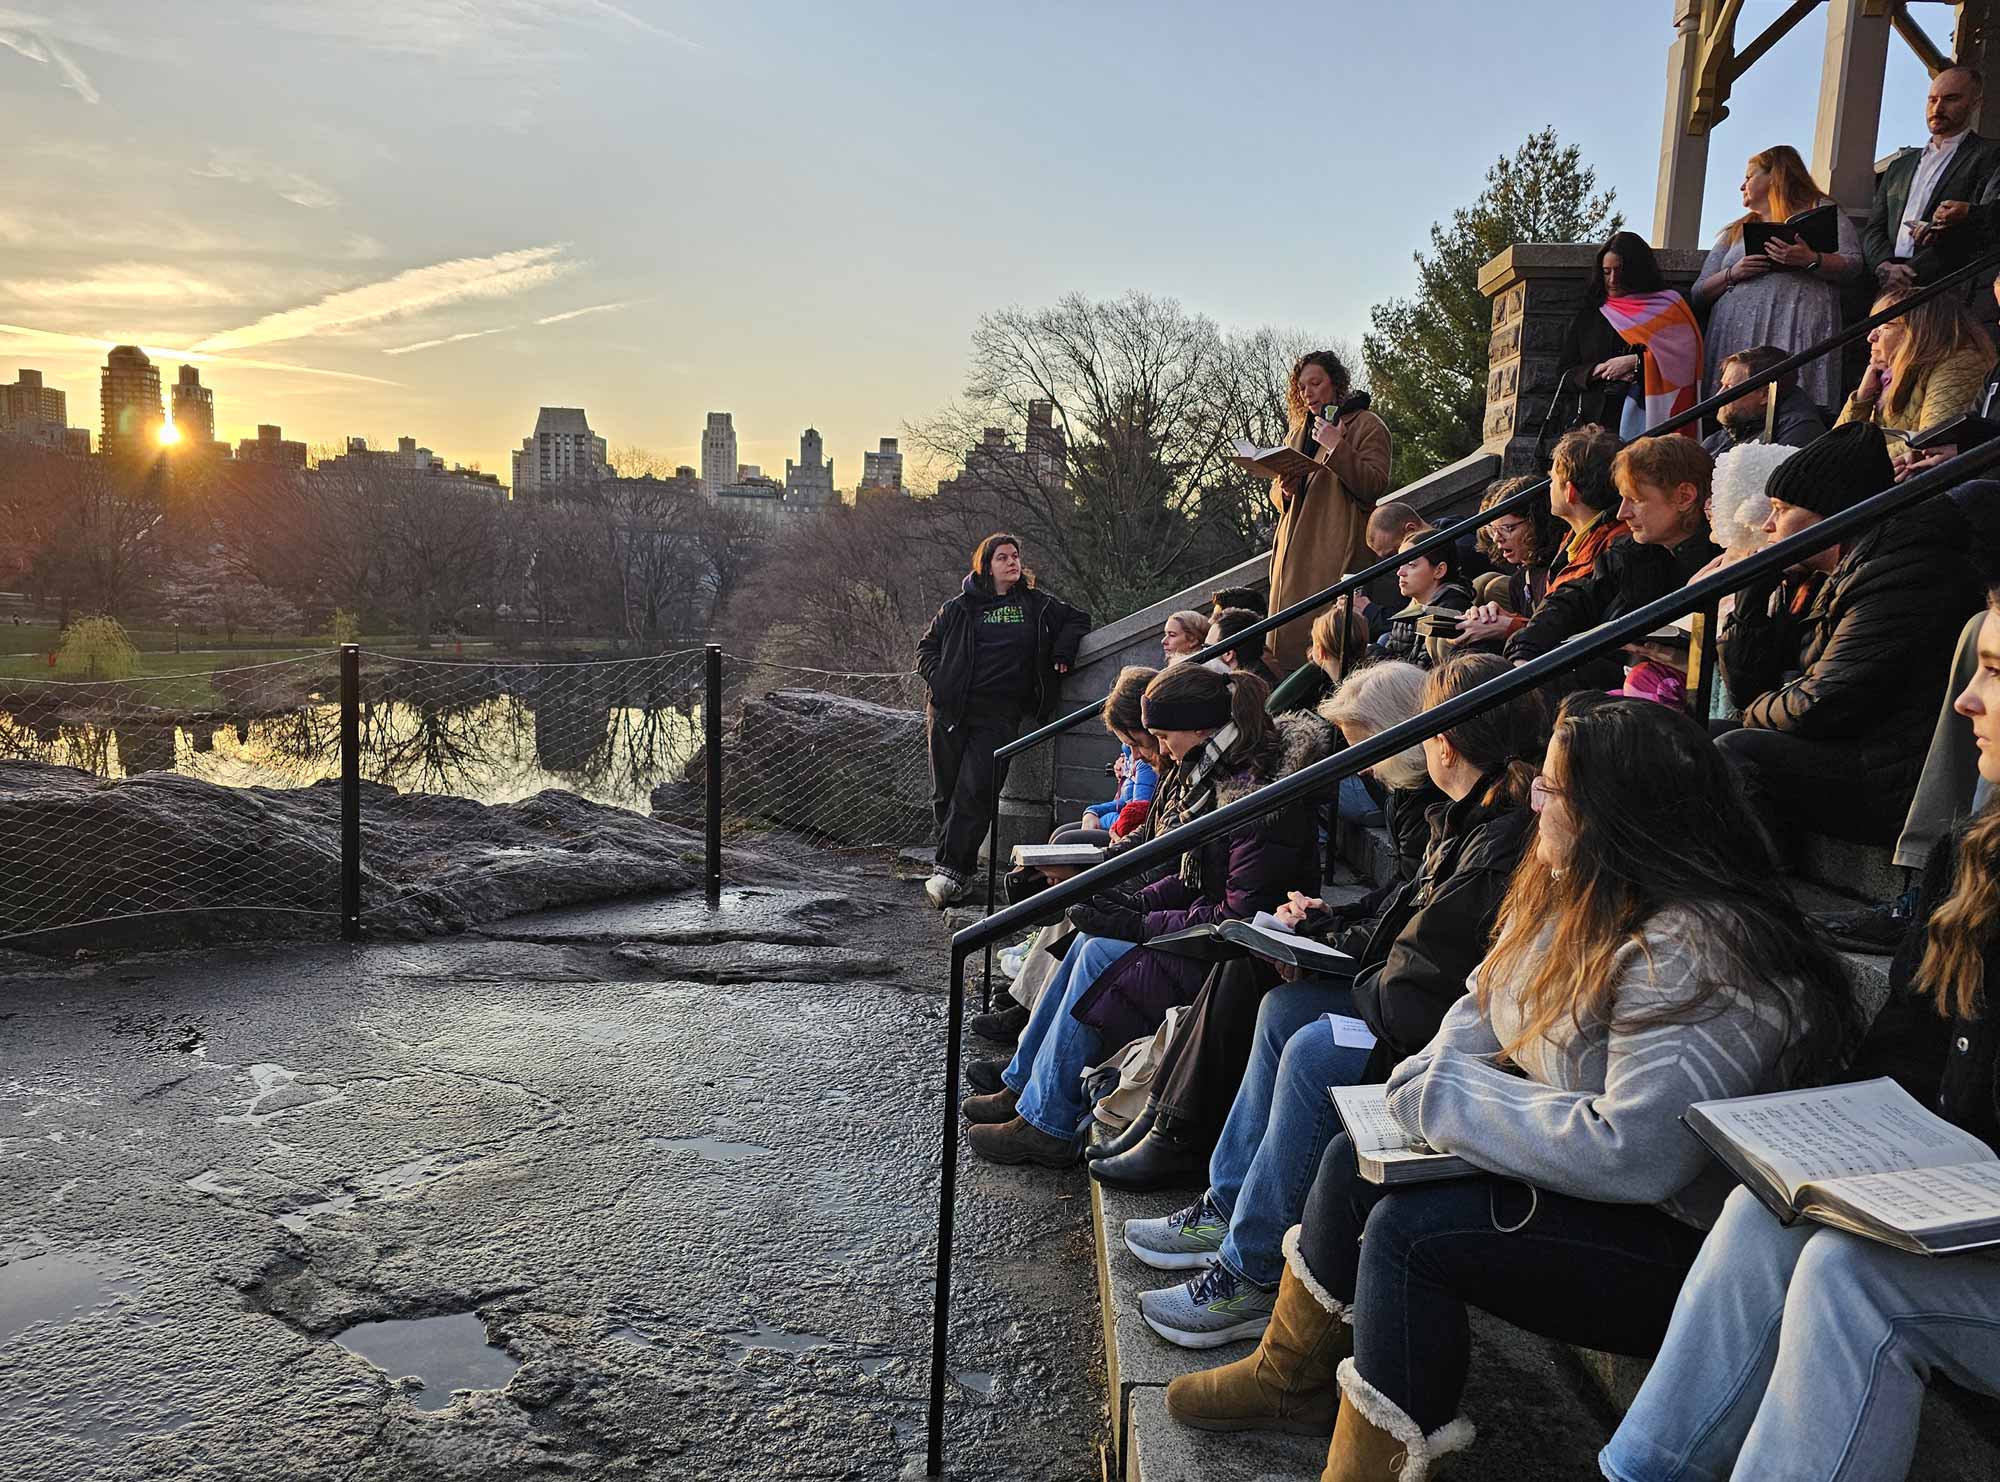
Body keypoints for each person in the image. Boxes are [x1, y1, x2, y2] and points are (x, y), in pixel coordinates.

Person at [1177, 694, 1856, 1481]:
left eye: (1553, 789)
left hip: (1689, 1247)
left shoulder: (1696, 947)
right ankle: (1288, 1376)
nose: (1534, 796)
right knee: (1346, 1160)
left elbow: (1639, 1153)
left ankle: (1369, 1460)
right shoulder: (1586, 887)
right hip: (1617, 1197)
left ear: (1613, 810)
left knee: (1413, 1233)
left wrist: (1445, 1098)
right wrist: (1425, 1077)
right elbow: (1486, 997)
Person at [1601, 594, 2000, 1482]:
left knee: (1854, 1279)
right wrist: (1854, 1145)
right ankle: (1641, 1471)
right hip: (1964, 1206)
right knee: (1771, 1204)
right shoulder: (1976, 852)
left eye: (1997, 674)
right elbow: (1908, 1045)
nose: (1966, 701)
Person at [1127, 656, 1546, 1361]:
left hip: (1436, 1037)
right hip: (1409, 1005)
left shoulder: (1493, 834)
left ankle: (1251, 1273)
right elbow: (1408, 921)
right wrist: (1328, 927)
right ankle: (1231, 1203)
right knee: (1284, 1008)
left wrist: (1346, 960)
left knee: (1314, 1044)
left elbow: (1419, 985)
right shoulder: (1466, 815)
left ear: (1441, 743)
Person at [1086, 661, 1439, 1191]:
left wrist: (1330, 932)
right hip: (1362, 950)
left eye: (1365, 744)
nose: (1363, 768)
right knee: (1227, 963)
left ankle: (1175, 1137)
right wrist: (1332, 915)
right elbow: (1406, 894)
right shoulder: (1421, 802)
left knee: (1245, 976)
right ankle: (1165, 1122)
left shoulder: (1258, 789)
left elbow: (1420, 914)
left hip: (1398, 983)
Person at [961, 663, 1331, 1167]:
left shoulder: (1257, 796)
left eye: (1162, 735)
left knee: (1098, 956)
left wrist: (1137, 921)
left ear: (1200, 727)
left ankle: (1045, 1119)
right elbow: (1191, 872)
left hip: (1234, 959)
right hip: (1208, 936)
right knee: (1093, 941)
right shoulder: (1222, 770)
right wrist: (1134, 904)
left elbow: (1236, 913)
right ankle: (1027, 1089)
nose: (1162, 751)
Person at [1718, 421, 1984, 845]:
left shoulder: (1906, 571)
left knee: (1737, 748)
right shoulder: (1830, 575)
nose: (1769, 526)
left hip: (1893, 780)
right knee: (1695, 738)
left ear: (1832, 513)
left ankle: (1756, 898)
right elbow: (1750, 684)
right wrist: (1754, 590)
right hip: (1854, 752)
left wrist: (1754, 708)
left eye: (1781, 508)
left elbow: (1822, 703)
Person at [968, 667, 1165, 1054]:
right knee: (1075, 886)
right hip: (1142, 875)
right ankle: (1026, 1002)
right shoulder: (1172, 767)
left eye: (1143, 742)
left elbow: (1146, 828)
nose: (1140, 753)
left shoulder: (1175, 770)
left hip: (1154, 899)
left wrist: (1092, 869)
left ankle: (1028, 1026)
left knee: (1082, 899)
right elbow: (1145, 831)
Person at [915, 533, 1089, 909]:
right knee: (945, 794)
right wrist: (941, 678)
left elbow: (1077, 619)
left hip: (999, 714)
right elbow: (925, 648)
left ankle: (948, 873)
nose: (1012, 563)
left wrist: (1062, 651)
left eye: (1015, 557)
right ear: (986, 565)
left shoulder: (1035, 605)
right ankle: (957, 873)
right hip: (950, 711)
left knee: (976, 789)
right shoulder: (959, 607)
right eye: (1003, 558)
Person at [1505, 433, 1719, 673]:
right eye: (1622, 499)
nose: (1622, 513)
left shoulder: (1727, 555)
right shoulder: (1630, 550)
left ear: (1684, 497)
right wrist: (1525, 650)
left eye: (1636, 500)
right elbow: (1575, 597)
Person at [1694, 147, 1861, 410]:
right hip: (1737, 332)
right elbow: (1699, 291)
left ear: (1775, 176)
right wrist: (1733, 273)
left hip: (1797, 325)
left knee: (1790, 406)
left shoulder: (1822, 210)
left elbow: (1853, 263)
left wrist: (1810, 258)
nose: (1741, 185)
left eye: (1749, 177)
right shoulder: (1736, 230)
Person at [1263, 351, 1393, 675]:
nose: (1307, 393)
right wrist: (1285, 490)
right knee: (1283, 648)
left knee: (1325, 650)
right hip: (1290, 561)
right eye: (1301, 387)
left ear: (1336, 384)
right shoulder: (1297, 433)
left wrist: (1338, 447)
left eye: (1315, 383)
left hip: (1333, 555)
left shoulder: (1367, 425)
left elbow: (1373, 485)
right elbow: (1278, 497)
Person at [1465, 432, 1629, 652]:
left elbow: (1581, 628)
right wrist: (1509, 620)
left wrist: (1514, 627)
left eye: (1552, 480)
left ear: (1569, 492)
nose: (1547, 486)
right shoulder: (1572, 542)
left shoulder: (1615, 548)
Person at [1863, 64, 1996, 294]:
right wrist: (1884, 266)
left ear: (1975, 103)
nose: (1938, 108)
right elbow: (1874, 228)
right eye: (1932, 99)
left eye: (1951, 99)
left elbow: (1989, 222)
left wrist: (1913, 270)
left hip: (1946, 287)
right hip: (1889, 285)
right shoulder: (1899, 166)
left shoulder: (1990, 156)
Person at [1555, 232, 1703, 439]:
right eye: (1606, 272)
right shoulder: (1592, 313)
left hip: (1654, 427)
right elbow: (1565, 373)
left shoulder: (1669, 308)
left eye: (1620, 271)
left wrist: (1636, 362)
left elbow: (1685, 360)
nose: (1613, 280)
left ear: (1637, 271)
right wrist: (1597, 371)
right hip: (1595, 431)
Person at [1836, 286, 1994, 441]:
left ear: (1920, 331)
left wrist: (1856, 461)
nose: (1871, 337)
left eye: (1884, 326)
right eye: (1873, 327)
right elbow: (1834, 448)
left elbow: (1932, 443)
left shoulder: (1959, 365)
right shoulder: (1883, 378)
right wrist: (1862, 399)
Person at [1698, 345, 1830, 458]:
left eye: (1730, 387)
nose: (1719, 395)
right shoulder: (1735, 427)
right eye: (1722, 385)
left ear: (1765, 395)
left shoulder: (1799, 432)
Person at [1467, 475, 1561, 629]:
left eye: (1508, 528)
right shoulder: (1519, 580)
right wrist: (1502, 618)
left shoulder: (1561, 565)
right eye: (1493, 530)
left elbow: (1557, 629)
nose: (1497, 538)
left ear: (1536, 522)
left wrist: (1511, 625)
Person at [1371, 531, 1472, 669]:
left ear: (1439, 570)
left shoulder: (1452, 610)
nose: (1400, 572)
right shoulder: (1410, 609)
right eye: (1400, 564)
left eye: (1411, 564)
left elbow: (1422, 672)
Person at [1267, 601, 1371, 715]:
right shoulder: (1371, 682)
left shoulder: (1339, 704)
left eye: (1314, 643)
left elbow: (1271, 707)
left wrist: (1311, 667)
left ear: (1320, 652)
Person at [1208, 606, 1282, 688]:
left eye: (1207, 647)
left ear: (1228, 654)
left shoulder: (1237, 694)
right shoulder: (1265, 683)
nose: (1202, 651)